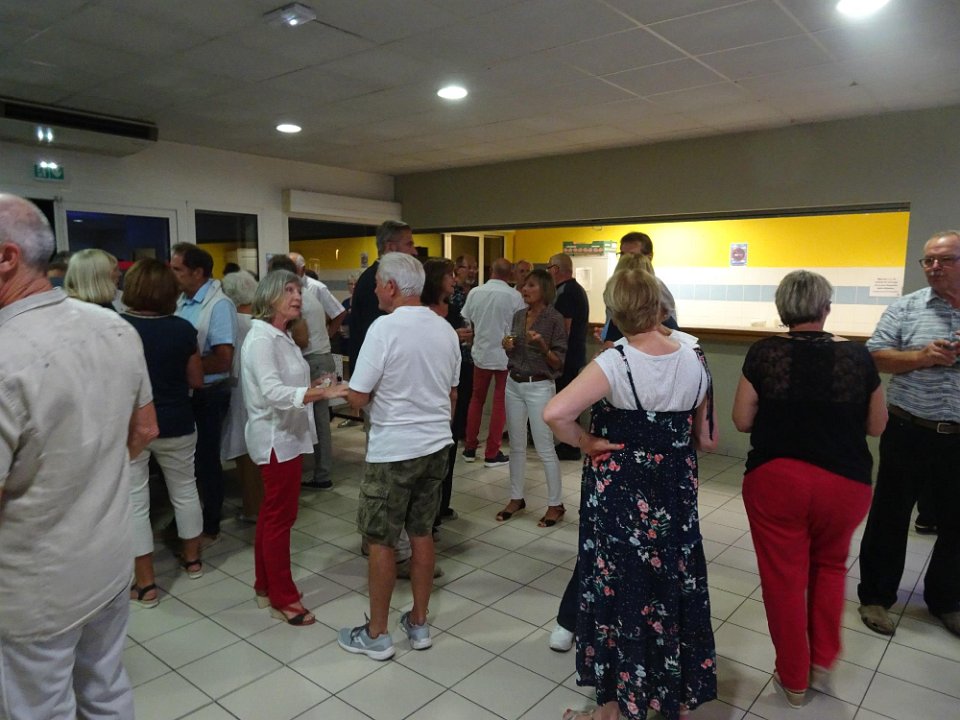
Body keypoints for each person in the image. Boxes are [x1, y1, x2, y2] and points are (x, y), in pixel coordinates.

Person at [0, 194, 158, 720]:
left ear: (7, 258)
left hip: (33, 585)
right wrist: (86, 477)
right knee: (105, 688)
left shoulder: (6, 353)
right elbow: (145, 429)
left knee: (40, 707)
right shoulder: (113, 326)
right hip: (108, 559)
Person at [543, 267, 718, 720]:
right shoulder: (695, 355)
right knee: (673, 583)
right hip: (675, 491)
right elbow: (707, 438)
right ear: (660, 306)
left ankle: (613, 708)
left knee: (621, 587)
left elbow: (556, 413)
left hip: (623, 494)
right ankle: (674, 695)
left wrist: (587, 442)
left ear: (615, 314)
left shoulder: (614, 362)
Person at [731, 270, 887, 707]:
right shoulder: (857, 356)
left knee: (783, 579)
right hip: (845, 484)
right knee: (830, 567)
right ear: (826, 308)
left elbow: (742, 420)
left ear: (782, 309)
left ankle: (794, 678)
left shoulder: (765, 353)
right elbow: (877, 425)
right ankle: (822, 660)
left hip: (776, 481)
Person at [338, 253, 460, 660]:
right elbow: (451, 393)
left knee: (381, 540)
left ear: (390, 287)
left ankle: (377, 634)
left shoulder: (383, 329)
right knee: (422, 533)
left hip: (393, 450)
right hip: (436, 445)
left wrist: (346, 391)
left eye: (377, 283)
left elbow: (359, 397)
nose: (374, 289)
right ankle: (419, 623)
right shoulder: (444, 330)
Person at [857, 229, 960, 639]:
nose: (934, 267)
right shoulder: (906, 307)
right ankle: (876, 597)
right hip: (909, 428)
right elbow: (875, 356)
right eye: (928, 260)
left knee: (956, 522)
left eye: (944, 259)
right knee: (890, 515)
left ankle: (947, 600)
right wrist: (921, 356)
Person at [241, 269, 348, 626]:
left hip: (286, 436)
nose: (297, 297)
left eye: (298, 290)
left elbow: (286, 382)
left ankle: (264, 586)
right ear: (269, 296)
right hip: (276, 439)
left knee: (273, 514)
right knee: (280, 518)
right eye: (289, 290)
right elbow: (273, 393)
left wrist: (316, 382)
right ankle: (282, 598)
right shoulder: (262, 339)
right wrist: (322, 392)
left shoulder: (280, 335)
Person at [121, 259, 206, 607]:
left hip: (132, 427)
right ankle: (193, 560)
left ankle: (146, 584)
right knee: (185, 490)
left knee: (135, 501)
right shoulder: (183, 329)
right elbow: (196, 380)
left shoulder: (118, 327)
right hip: (177, 421)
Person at [171, 242, 239, 546]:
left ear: (197, 272)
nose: (173, 275)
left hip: (210, 393)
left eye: (178, 269)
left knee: (207, 460)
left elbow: (223, 359)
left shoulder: (219, 305)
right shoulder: (182, 301)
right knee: (188, 461)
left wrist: (182, 365)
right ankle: (189, 517)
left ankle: (211, 522)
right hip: (187, 391)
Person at [499, 269, 567, 526]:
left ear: (544, 289)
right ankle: (516, 498)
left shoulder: (554, 319)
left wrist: (541, 345)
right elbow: (513, 352)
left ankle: (556, 504)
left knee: (544, 447)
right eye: (524, 285)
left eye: (531, 285)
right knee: (516, 445)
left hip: (539, 386)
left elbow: (558, 361)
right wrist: (507, 346)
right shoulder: (519, 316)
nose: (524, 289)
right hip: (514, 383)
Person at [421, 258, 473, 535]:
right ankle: (426, 515)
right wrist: (452, 335)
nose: (453, 279)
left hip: (456, 378)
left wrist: (464, 337)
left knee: (449, 445)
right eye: (449, 275)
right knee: (431, 449)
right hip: (433, 385)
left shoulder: (452, 309)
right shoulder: (422, 311)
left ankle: (442, 504)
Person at [289, 252, 346, 488]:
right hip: (321, 357)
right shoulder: (307, 294)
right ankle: (321, 471)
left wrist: (328, 336)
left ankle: (322, 474)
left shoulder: (306, 294)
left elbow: (302, 338)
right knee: (320, 418)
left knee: (318, 419)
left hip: (314, 360)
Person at [461, 258, 525, 467]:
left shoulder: (475, 292)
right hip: (505, 356)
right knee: (500, 404)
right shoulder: (515, 296)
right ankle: (492, 452)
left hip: (480, 354)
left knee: (476, 400)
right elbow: (519, 327)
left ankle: (469, 448)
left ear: (491, 271)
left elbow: (467, 320)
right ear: (510, 274)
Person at [221, 269, 262, 522]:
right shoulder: (261, 322)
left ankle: (252, 507)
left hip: (239, 391)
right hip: (256, 390)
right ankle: (256, 505)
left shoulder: (233, 321)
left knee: (244, 451)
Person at [547, 253, 590, 460]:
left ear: (556, 269)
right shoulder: (574, 289)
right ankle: (569, 443)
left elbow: (564, 328)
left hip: (566, 358)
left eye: (549, 267)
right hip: (573, 355)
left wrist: (552, 353)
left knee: (567, 403)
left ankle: (571, 445)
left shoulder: (566, 292)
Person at [602, 232, 677, 343]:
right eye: (622, 254)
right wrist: (606, 335)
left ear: (649, 257)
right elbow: (611, 321)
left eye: (632, 255)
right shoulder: (616, 288)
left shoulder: (657, 288)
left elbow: (671, 330)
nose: (625, 259)